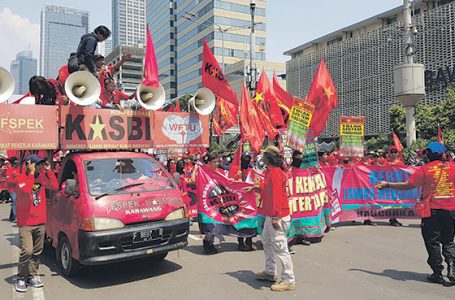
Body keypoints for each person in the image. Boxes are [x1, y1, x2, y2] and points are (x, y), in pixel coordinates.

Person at [376, 142, 455, 284]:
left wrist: (388, 184)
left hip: (432, 211)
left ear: (429, 154)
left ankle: (437, 273)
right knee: (448, 241)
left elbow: (408, 185)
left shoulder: (425, 169)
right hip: (451, 211)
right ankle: (452, 268)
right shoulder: (453, 168)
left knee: (432, 241)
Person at [246, 146, 296, 292]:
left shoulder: (275, 173)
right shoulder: (270, 171)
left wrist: (275, 216)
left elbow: (276, 197)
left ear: (269, 157)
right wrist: (255, 189)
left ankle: (289, 280)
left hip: (277, 216)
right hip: (271, 215)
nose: (262, 158)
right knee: (267, 242)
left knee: (280, 247)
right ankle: (269, 272)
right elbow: (267, 190)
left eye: (264, 155)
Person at [15, 155, 58, 292]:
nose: (40, 166)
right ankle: (21, 277)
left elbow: (55, 185)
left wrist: (49, 171)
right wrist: (31, 174)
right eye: (37, 164)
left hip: (40, 221)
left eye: (41, 164)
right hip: (26, 222)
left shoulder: (42, 177)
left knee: (37, 251)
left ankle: (32, 275)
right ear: (29, 164)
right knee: (27, 250)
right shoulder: (21, 178)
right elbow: (27, 189)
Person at [287, 150, 311, 254]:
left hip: (301, 198)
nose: (299, 159)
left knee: (301, 219)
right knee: (291, 222)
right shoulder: (288, 170)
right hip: (291, 199)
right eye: (297, 157)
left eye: (301, 157)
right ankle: (289, 243)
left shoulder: (305, 170)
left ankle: (301, 237)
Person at [6, 157, 19, 222]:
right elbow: (9, 181)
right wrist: (17, 180)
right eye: (16, 163)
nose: (18, 164)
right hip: (12, 189)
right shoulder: (9, 170)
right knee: (14, 201)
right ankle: (15, 217)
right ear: (13, 163)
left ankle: (11, 216)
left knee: (15, 202)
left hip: (18, 189)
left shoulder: (19, 169)